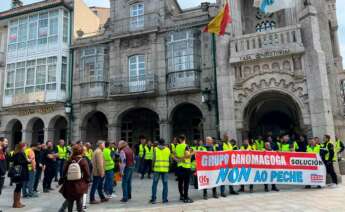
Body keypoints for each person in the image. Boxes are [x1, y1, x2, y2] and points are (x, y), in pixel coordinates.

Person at [59, 144, 90, 212]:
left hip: (69, 184)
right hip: (79, 184)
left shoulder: (69, 160)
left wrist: (62, 180)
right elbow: (87, 174)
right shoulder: (83, 160)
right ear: (81, 151)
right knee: (79, 201)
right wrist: (87, 181)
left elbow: (64, 172)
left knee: (70, 201)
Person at [150, 138, 170, 204]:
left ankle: (153, 199)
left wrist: (152, 166)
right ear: (164, 143)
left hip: (157, 169)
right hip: (165, 169)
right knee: (165, 184)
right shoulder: (168, 150)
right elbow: (170, 159)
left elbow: (153, 159)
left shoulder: (155, 149)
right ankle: (164, 199)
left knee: (155, 184)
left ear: (158, 143)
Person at [174, 135, 193, 203]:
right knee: (186, 183)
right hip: (186, 167)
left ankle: (181, 196)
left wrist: (179, 160)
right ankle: (186, 197)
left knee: (180, 182)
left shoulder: (177, 146)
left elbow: (175, 156)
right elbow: (187, 155)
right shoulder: (186, 146)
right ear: (184, 139)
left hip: (179, 167)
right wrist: (193, 153)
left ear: (180, 139)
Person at [11, 143, 29, 208]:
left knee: (19, 186)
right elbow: (19, 162)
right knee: (18, 187)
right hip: (20, 172)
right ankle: (16, 203)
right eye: (25, 146)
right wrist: (28, 161)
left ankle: (17, 202)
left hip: (18, 171)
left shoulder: (16, 153)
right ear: (21, 147)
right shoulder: (20, 153)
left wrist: (27, 160)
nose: (25, 148)